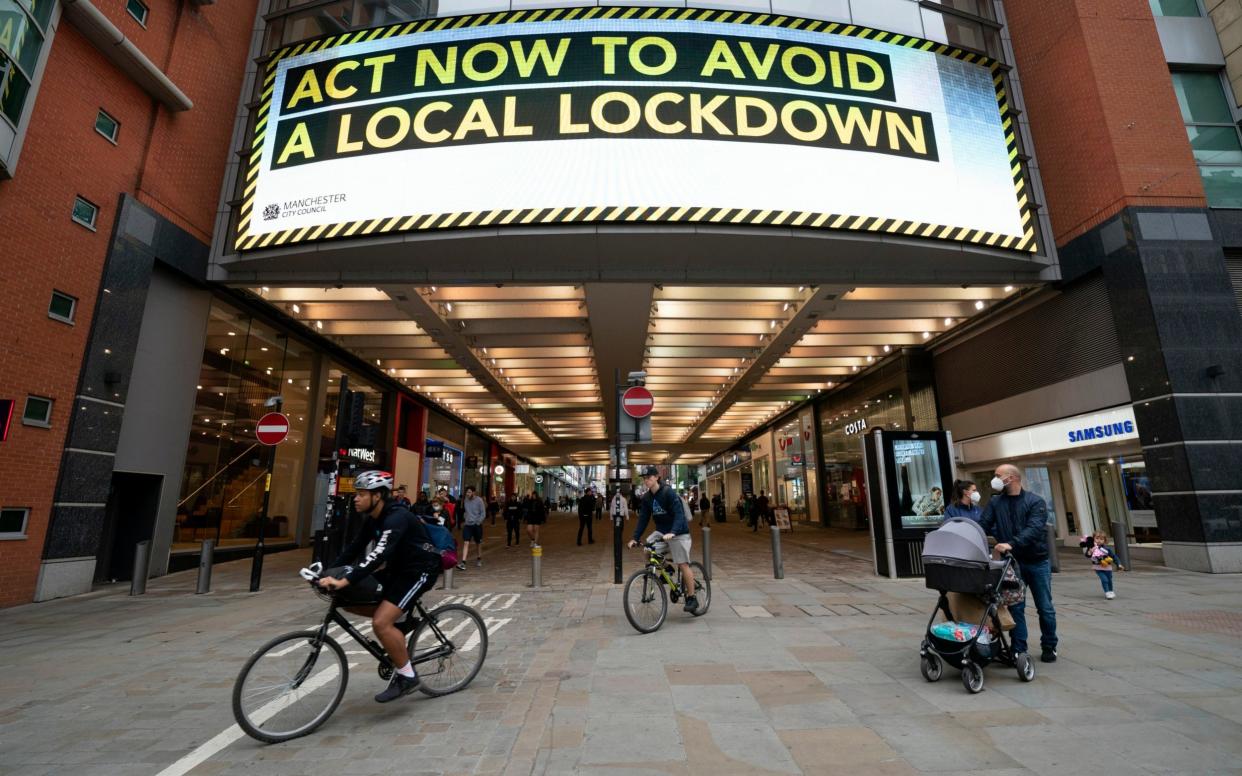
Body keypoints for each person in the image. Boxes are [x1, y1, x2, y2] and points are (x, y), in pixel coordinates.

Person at [316, 470, 441, 703]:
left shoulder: (397, 517)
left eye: (362, 494)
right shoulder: (373, 519)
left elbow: (377, 554)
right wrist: (327, 573)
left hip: (420, 570)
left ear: (378, 496)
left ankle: (407, 677)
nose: (356, 498)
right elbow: (353, 549)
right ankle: (401, 623)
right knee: (350, 601)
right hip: (396, 570)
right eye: (357, 494)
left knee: (381, 623)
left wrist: (345, 580)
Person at [978, 464, 1058, 663]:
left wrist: (1011, 544)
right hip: (1011, 565)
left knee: (1045, 607)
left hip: (1036, 561)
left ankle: (1049, 645)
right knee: (1016, 607)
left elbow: (1034, 529)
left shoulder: (1035, 502)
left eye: (998, 475)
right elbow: (983, 525)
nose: (994, 479)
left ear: (1012, 478)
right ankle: (1018, 649)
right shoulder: (996, 502)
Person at [628, 466, 699, 613]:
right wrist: (635, 538)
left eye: (649, 477)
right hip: (662, 532)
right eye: (644, 478)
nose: (646, 480)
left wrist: (673, 532)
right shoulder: (647, 498)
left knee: (682, 563)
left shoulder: (668, 493)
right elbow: (643, 519)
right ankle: (666, 568)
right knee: (647, 550)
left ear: (656, 477)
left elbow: (679, 514)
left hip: (678, 532)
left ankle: (692, 598)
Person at [1082, 530, 1119, 599]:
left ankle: (1111, 591)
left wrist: (1118, 564)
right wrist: (1090, 552)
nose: (1099, 540)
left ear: (1104, 541)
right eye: (1097, 538)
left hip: (1107, 567)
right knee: (1104, 579)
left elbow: (1114, 556)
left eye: (1101, 539)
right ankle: (1107, 592)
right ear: (1093, 539)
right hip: (1098, 567)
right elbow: (1087, 555)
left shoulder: (1106, 549)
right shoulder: (1091, 548)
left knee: (1109, 579)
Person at [458, 485, 487, 569]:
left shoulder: (479, 500)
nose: (467, 494)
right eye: (467, 492)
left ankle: (479, 558)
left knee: (478, 543)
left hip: (477, 525)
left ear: (473, 492)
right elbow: (465, 511)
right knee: (466, 542)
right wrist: (465, 517)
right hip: (468, 525)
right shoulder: (465, 500)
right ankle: (463, 562)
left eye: (469, 492)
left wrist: (478, 522)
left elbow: (483, 513)